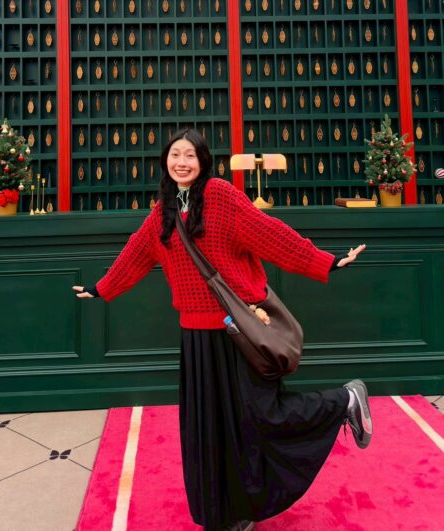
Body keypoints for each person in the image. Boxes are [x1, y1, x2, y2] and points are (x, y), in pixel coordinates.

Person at [73, 128, 371, 531]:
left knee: (262, 414)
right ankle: (230, 511)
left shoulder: (221, 196)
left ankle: (345, 400)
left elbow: (269, 235)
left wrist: (324, 262)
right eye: (175, 155)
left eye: (190, 156)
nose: (181, 162)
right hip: (195, 336)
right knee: (210, 431)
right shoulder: (161, 211)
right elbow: (136, 255)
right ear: (165, 161)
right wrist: (101, 288)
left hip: (239, 330)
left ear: (203, 161)